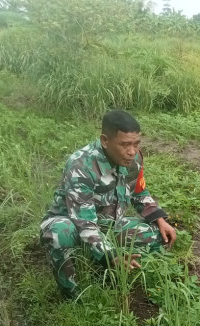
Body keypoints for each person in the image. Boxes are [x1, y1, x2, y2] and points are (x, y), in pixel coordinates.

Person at [40, 110, 177, 299]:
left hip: (109, 225)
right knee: (59, 233)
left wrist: (159, 219)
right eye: (125, 145)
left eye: (136, 144)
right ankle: (73, 296)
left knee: (160, 235)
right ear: (105, 141)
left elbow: (139, 192)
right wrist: (111, 255)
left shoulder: (134, 159)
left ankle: (109, 269)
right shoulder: (81, 165)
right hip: (73, 225)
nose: (132, 151)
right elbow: (84, 223)